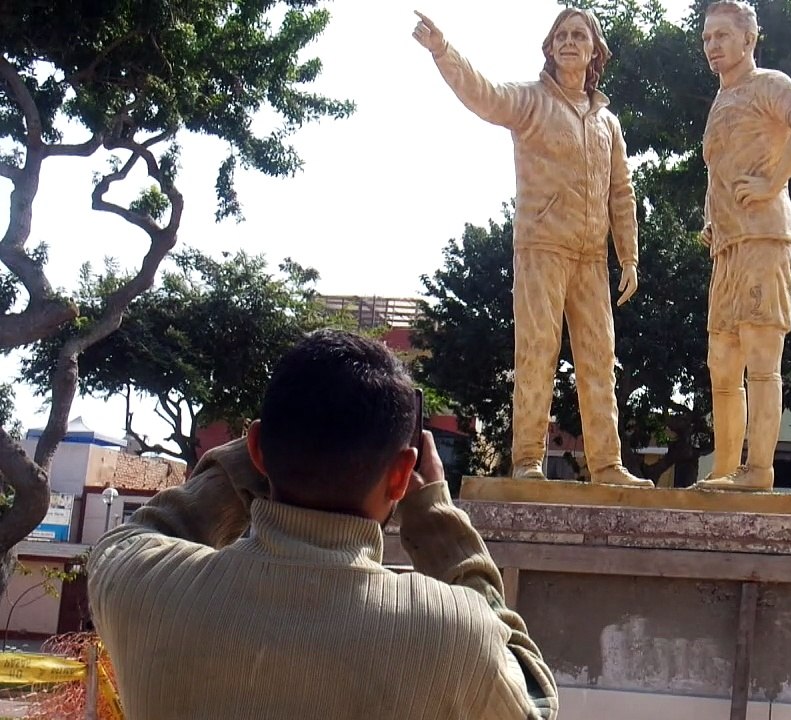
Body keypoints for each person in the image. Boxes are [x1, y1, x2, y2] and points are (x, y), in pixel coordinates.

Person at [87, 329, 558, 720]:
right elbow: (534, 700)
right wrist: (437, 520)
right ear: (400, 474)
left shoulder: (141, 586)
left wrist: (247, 463)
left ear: (256, 447)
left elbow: (140, 534)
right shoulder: (457, 634)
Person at [412, 8, 650, 487]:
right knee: (537, 351)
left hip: (590, 258)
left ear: (594, 50)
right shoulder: (531, 101)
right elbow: (483, 94)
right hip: (542, 246)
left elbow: (620, 190)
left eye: (578, 35)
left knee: (599, 358)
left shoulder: (608, 122)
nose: (568, 41)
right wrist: (444, 51)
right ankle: (526, 460)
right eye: (559, 35)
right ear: (549, 47)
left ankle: (607, 464)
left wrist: (628, 255)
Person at [694, 1, 791, 492]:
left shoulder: (768, 83)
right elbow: (722, 169)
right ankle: (726, 468)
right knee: (722, 362)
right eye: (707, 38)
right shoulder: (720, 100)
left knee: (759, 360)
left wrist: (773, 182)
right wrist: (711, 219)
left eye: (723, 35)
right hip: (727, 247)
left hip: (764, 238)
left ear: (748, 39)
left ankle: (758, 471)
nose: (713, 46)